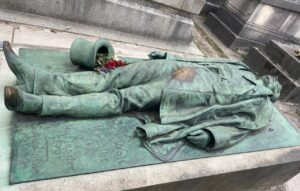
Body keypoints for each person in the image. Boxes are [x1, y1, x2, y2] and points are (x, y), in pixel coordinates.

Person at [3, 41, 281, 153]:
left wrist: (211, 135)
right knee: (110, 76)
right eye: (272, 77)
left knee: (119, 98)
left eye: (276, 85)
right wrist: (170, 56)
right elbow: (210, 60)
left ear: (275, 94)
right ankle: (38, 80)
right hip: (179, 69)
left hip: (185, 92)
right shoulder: (242, 67)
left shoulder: (262, 105)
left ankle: (38, 104)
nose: (273, 80)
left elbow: (238, 128)